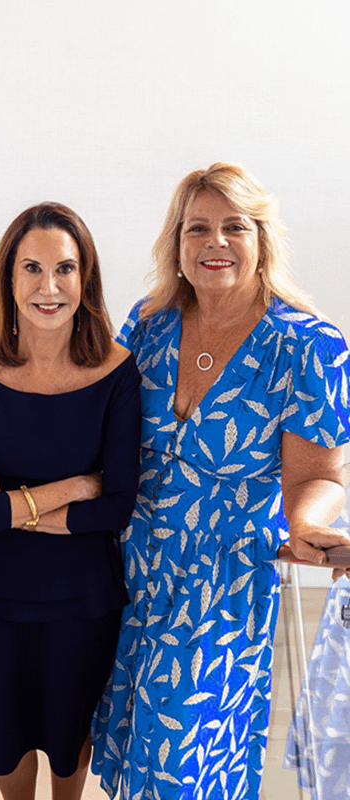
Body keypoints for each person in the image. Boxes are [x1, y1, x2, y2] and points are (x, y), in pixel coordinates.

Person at [91, 163, 350, 800]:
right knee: (126, 756)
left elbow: (318, 474)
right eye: (197, 227)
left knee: (181, 764)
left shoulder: (306, 345)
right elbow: (92, 425)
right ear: (175, 244)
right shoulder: (147, 326)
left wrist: (308, 524)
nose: (215, 242)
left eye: (235, 226)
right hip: (125, 569)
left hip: (219, 586)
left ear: (262, 241)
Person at [0, 202, 141, 800]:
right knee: (5, 736)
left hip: (82, 594)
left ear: (86, 279)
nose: (49, 287)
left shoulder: (116, 371)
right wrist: (76, 487)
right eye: (32, 268)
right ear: (8, 278)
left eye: (65, 269)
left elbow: (117, 508)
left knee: (69, 735)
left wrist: (7, 506)